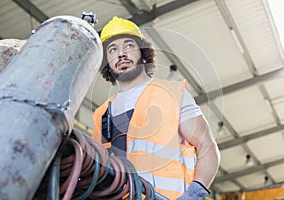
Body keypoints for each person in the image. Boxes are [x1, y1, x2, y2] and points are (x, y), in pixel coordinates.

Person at [92, 16, 220, 200]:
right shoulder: (101, 115)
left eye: (129, 46)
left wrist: (195, 193)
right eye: (112, 49)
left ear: (143, 55)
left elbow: (207, 147)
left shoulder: (172, 94)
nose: (121, 53)